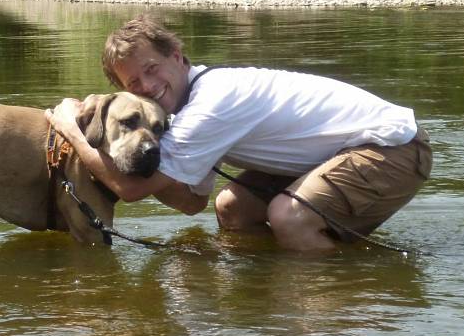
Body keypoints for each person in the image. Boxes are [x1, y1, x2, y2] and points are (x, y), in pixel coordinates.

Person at [45, 15, 432, 251]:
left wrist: (70, 130)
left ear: (177, 56)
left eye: (152, 68)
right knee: (232, 208)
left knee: (289, 217)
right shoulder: (185, 109)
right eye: (134, 82)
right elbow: (192, 201)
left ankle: (330, 297)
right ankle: (273, 276)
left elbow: (130, 191)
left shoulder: (211, 105)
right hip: (346, 150)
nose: (147, 86)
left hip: (393, 148)